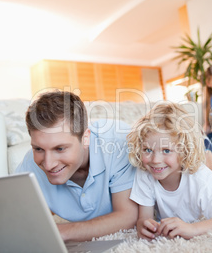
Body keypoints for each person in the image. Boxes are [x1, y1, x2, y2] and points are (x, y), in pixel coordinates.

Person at [16, 91, 138, 242]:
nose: (48, 164)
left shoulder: (118, 142)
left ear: (86, 138)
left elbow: (128, 216)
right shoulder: (30, 165)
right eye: (38, 149)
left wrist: (63, 232)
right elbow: (14, 218)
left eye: (60, 148)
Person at [127, 102, 212, 240]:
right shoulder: (145, 172)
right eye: (147, 150)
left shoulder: (201, 177)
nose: (155, 160)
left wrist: (192, 228)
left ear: (184, 151)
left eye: (166, 150)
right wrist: (145, 226)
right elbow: (144, 218)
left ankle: (208, 155)